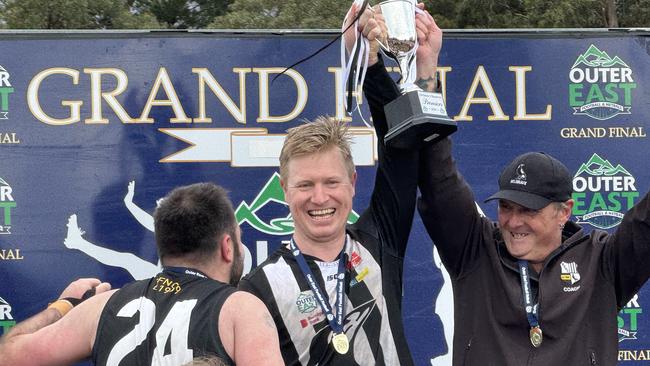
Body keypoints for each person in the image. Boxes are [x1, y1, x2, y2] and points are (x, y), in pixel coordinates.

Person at [237, 3, 442, 365]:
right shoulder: (257, 287)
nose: (320, 197)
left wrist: (369, 61)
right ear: (284, 189)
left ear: (351, 182)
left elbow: (402, 147)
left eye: (332, 181)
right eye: (305, 185)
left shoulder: (380, 242)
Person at [417, 128, 650, 362]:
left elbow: (645, 225)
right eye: (506, 207)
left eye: (529, 210)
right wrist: (421, 108)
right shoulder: (475, 249)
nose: (514, 222)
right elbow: (441, 184)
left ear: (564, 211)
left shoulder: (603, 263)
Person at [0, 183, 283, 366]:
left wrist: (63, 306)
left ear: (163, 244)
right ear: (227, 247)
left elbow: (8, 355)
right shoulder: (241, 309)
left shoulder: (100, 307)